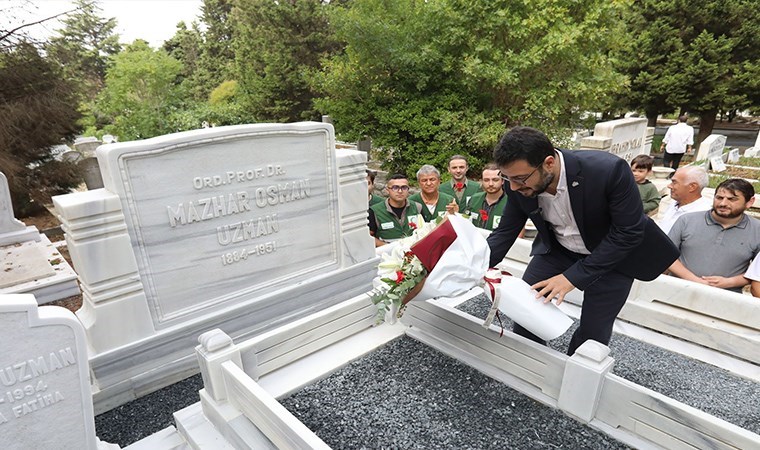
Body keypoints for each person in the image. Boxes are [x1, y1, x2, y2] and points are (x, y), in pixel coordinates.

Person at [487, 126, 679, 355]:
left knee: (593, 331)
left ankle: (576, 380)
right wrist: (476, 265)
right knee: (526, 313)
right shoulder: (516, 183)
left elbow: (628, 232)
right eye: (507, 178)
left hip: (613, 257)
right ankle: (537, 369)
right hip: (558, 251)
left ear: (549, 163)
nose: (514, 187)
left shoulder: (608, 170)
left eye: (520, 179)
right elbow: (505, 231)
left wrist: (572, 277)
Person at [666, 178, 760, 293]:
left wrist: (729, 282)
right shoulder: (687, 220)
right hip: (677, 289)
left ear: (750, 202)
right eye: (719, 198)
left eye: (732, 199)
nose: (723, 203)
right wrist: (694, 280)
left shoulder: (757, 230)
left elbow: (756, 273)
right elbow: (666, 255)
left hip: (725, 297)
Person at [368, 174, 421, 247]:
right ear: (387, 190)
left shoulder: (418, 207)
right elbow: (368, 237)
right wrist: (388, 247)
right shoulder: (375, 211)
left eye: (404, 187)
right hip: (387, 254)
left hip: (413, 253)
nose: (400, 191)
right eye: (395, 188)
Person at [656, 166, 711, 234]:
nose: (669, 186)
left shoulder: (702, 215)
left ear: (692, 187)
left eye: (674, 182)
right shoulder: (675, 203)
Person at [466, 163, 508, 230]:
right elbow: (466, 221)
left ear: (502, 181)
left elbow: (519, 231)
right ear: (482, 181)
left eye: (495, 180)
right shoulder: (474, 199)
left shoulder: (511, 203)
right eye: (486, 180)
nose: (490, 184)